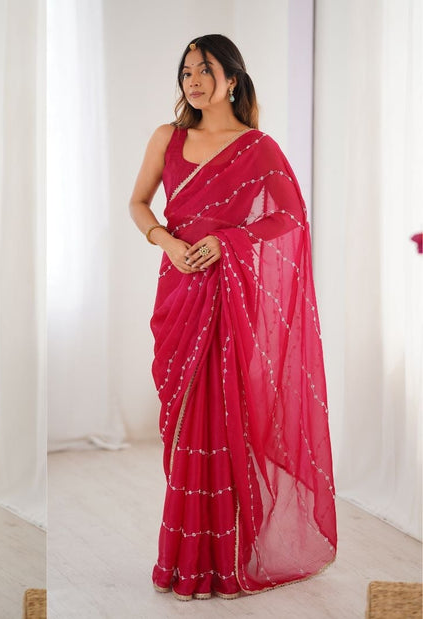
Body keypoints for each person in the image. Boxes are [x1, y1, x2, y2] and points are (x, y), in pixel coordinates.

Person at [128, 34, 337, 600]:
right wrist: (166, 243)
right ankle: (186, 554)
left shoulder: (257, 148)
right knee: (183, 417)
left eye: (204, 70)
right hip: (179, 292)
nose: (192, 80)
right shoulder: (168, 137)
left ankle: (224, 558)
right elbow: (138, 202)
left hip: (227, 299)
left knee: (222, 418)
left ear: (232, 81)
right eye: (186, 71)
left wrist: (229, 244)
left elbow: (291, 218)